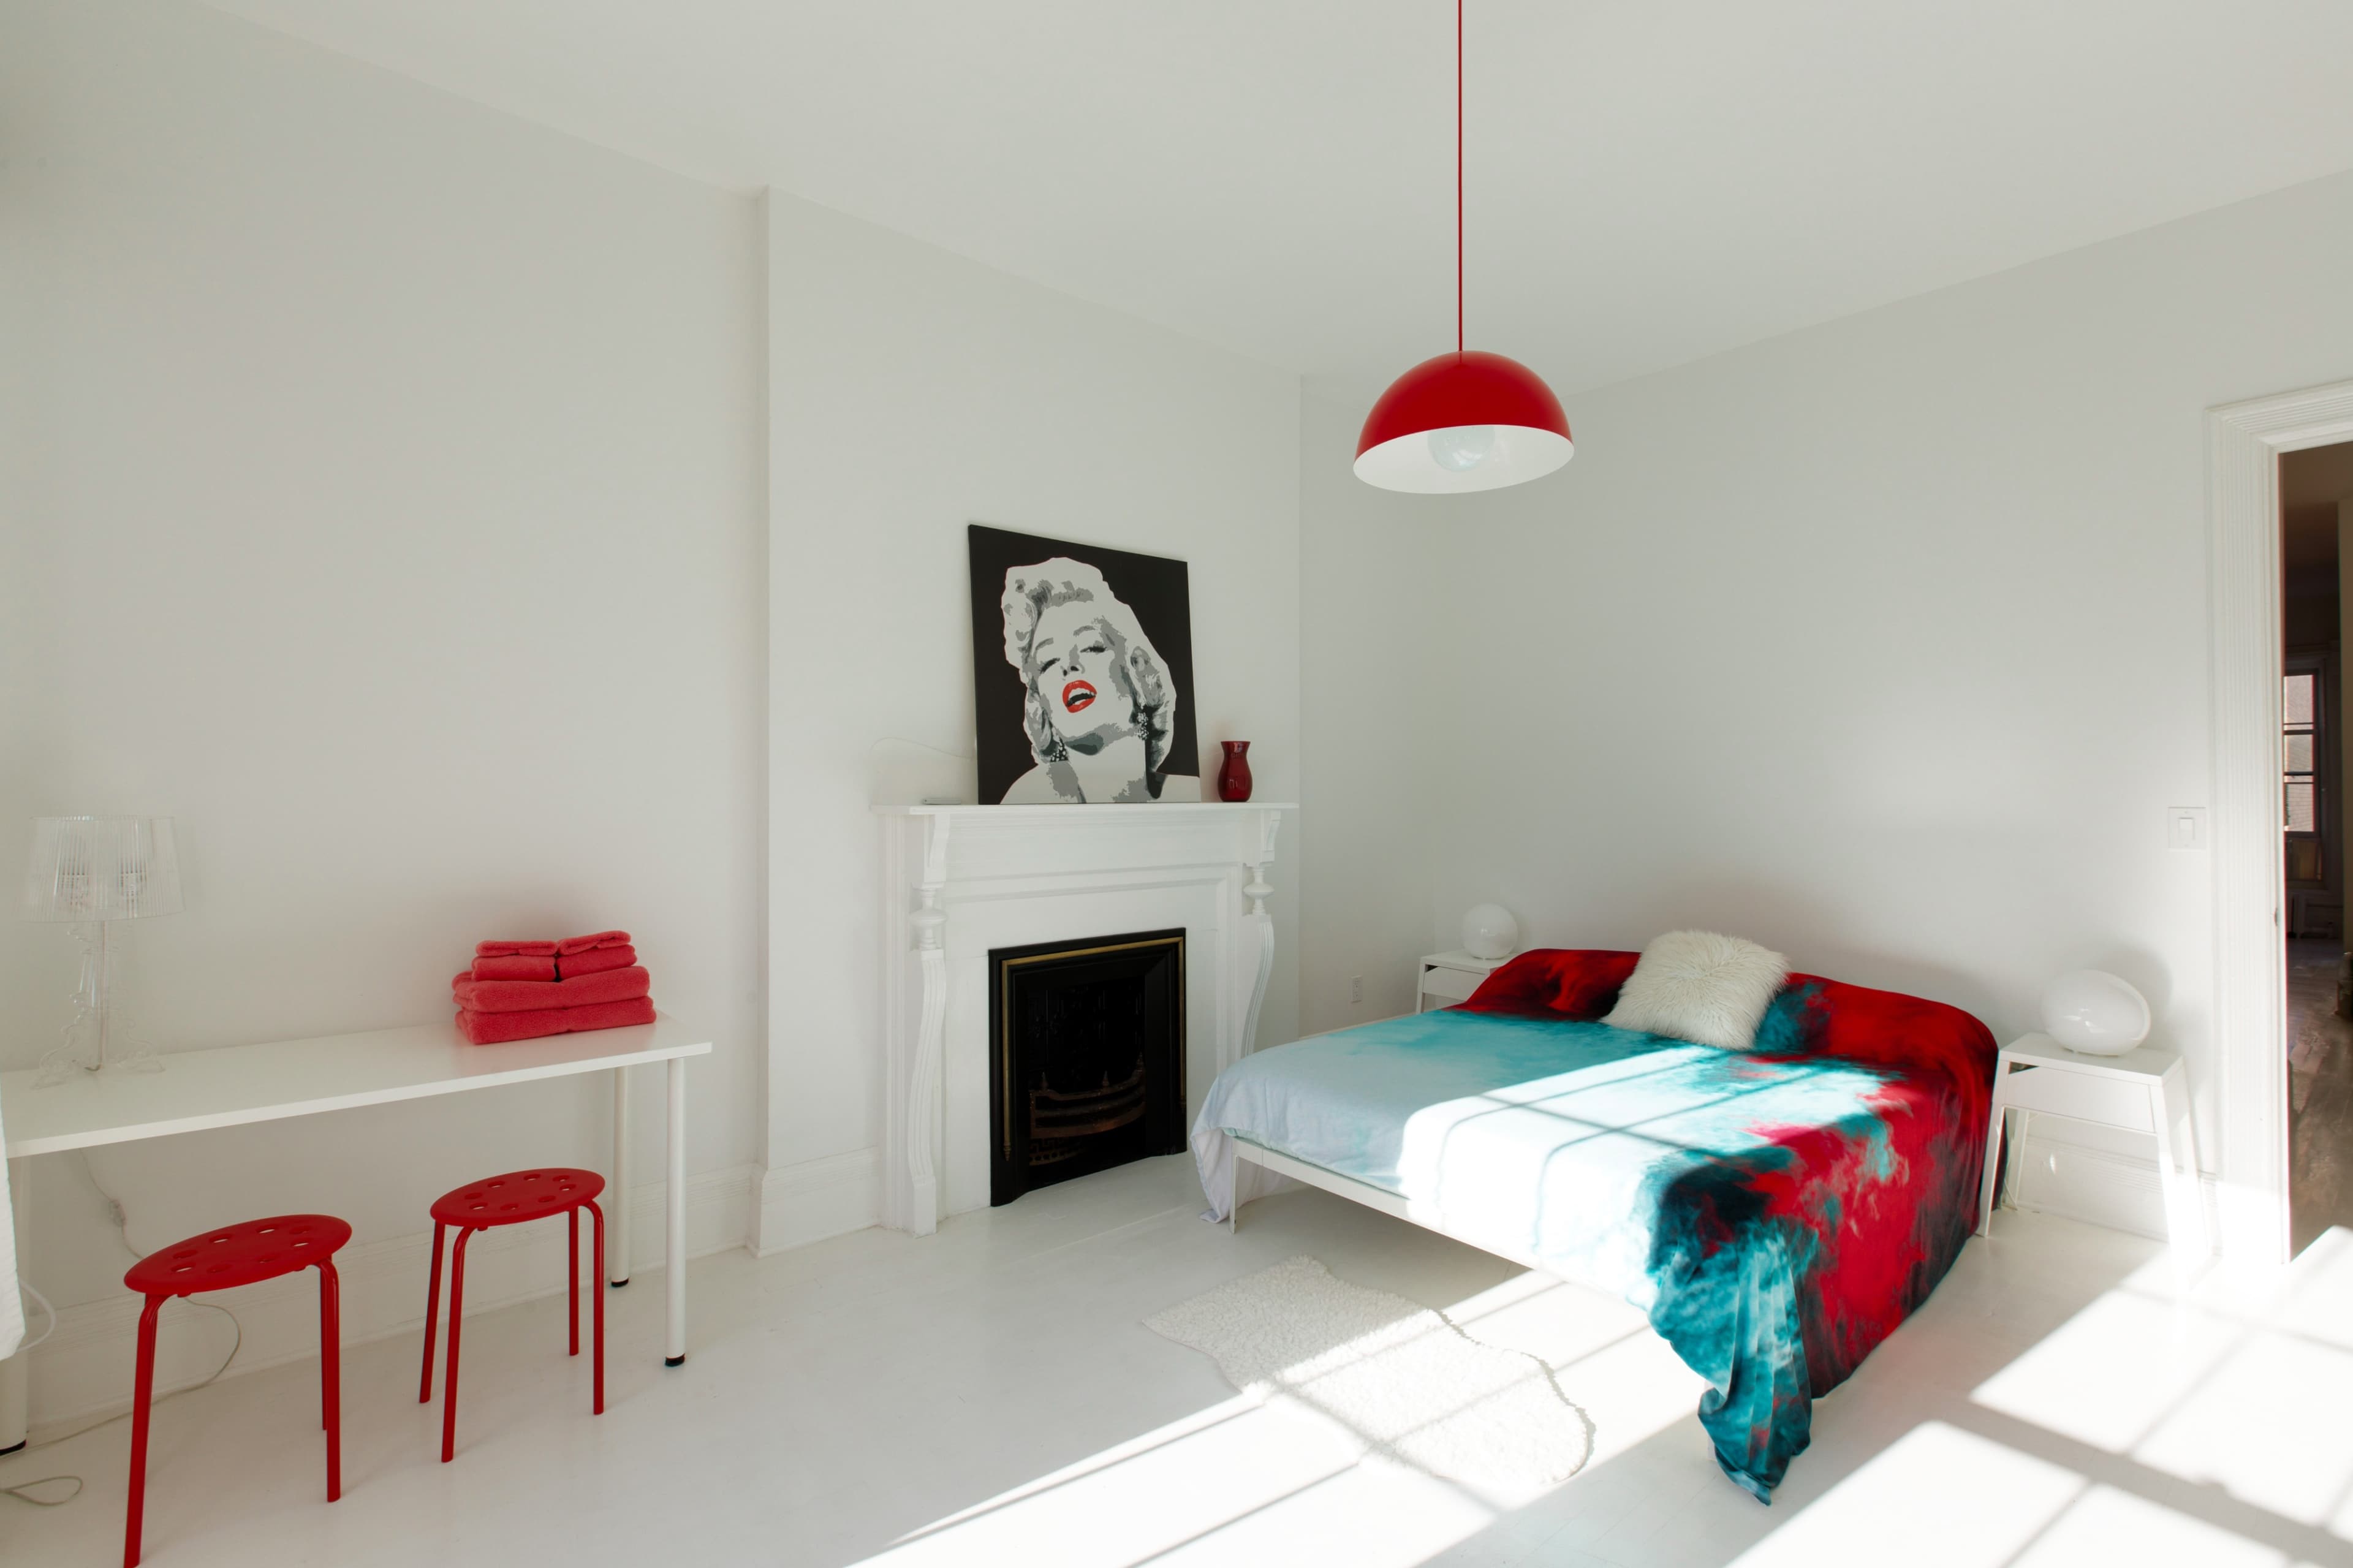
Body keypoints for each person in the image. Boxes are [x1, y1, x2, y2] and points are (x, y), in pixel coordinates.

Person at [999, 558, 1197, 803]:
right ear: (1040, 704)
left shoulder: (1188, 794)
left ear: (1138, 670)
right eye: (1048, 662)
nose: (1068, 665)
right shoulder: (1029, 796)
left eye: (1091, 647)